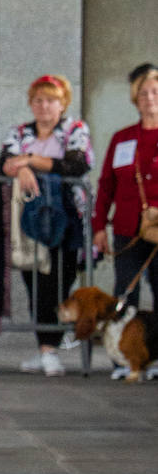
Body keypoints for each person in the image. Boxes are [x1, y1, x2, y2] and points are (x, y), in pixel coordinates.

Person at [0, 73, 94, 376]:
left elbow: (76, 164)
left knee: (59, 282)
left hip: (67, 217)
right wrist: (21, 167)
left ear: (62, 103)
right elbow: (4, 162)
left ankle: (52, 345)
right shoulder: (21, 131)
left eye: (50, 100)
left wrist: (28, 162)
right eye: (38, 100)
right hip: (29, 217)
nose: (44, 106)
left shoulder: (74, 129)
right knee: (34, 281)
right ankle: (45, 347)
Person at [92, 62, 158, 321]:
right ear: (135, 99)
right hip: (127, 229)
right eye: (143, 93)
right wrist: (99, 226)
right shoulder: (123, 138)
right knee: (126, 291)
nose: (149, 98)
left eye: (155, 92)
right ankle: (123, 356)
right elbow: (106, 184)